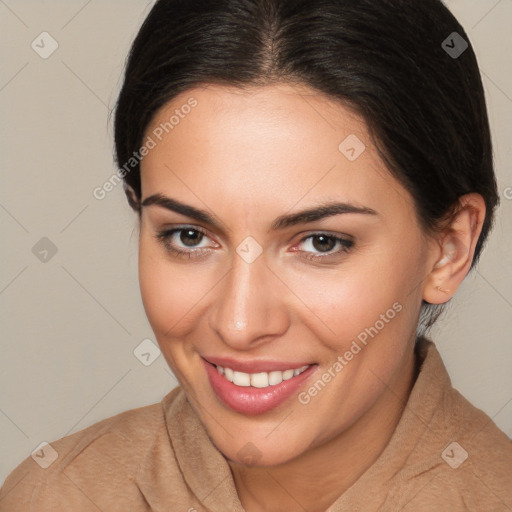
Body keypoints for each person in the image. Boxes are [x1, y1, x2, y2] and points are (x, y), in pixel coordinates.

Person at [1, 0, 511, 510]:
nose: (240, 324)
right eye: (189, 236)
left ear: (449, 248)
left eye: (321, 242)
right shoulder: (56, 496)